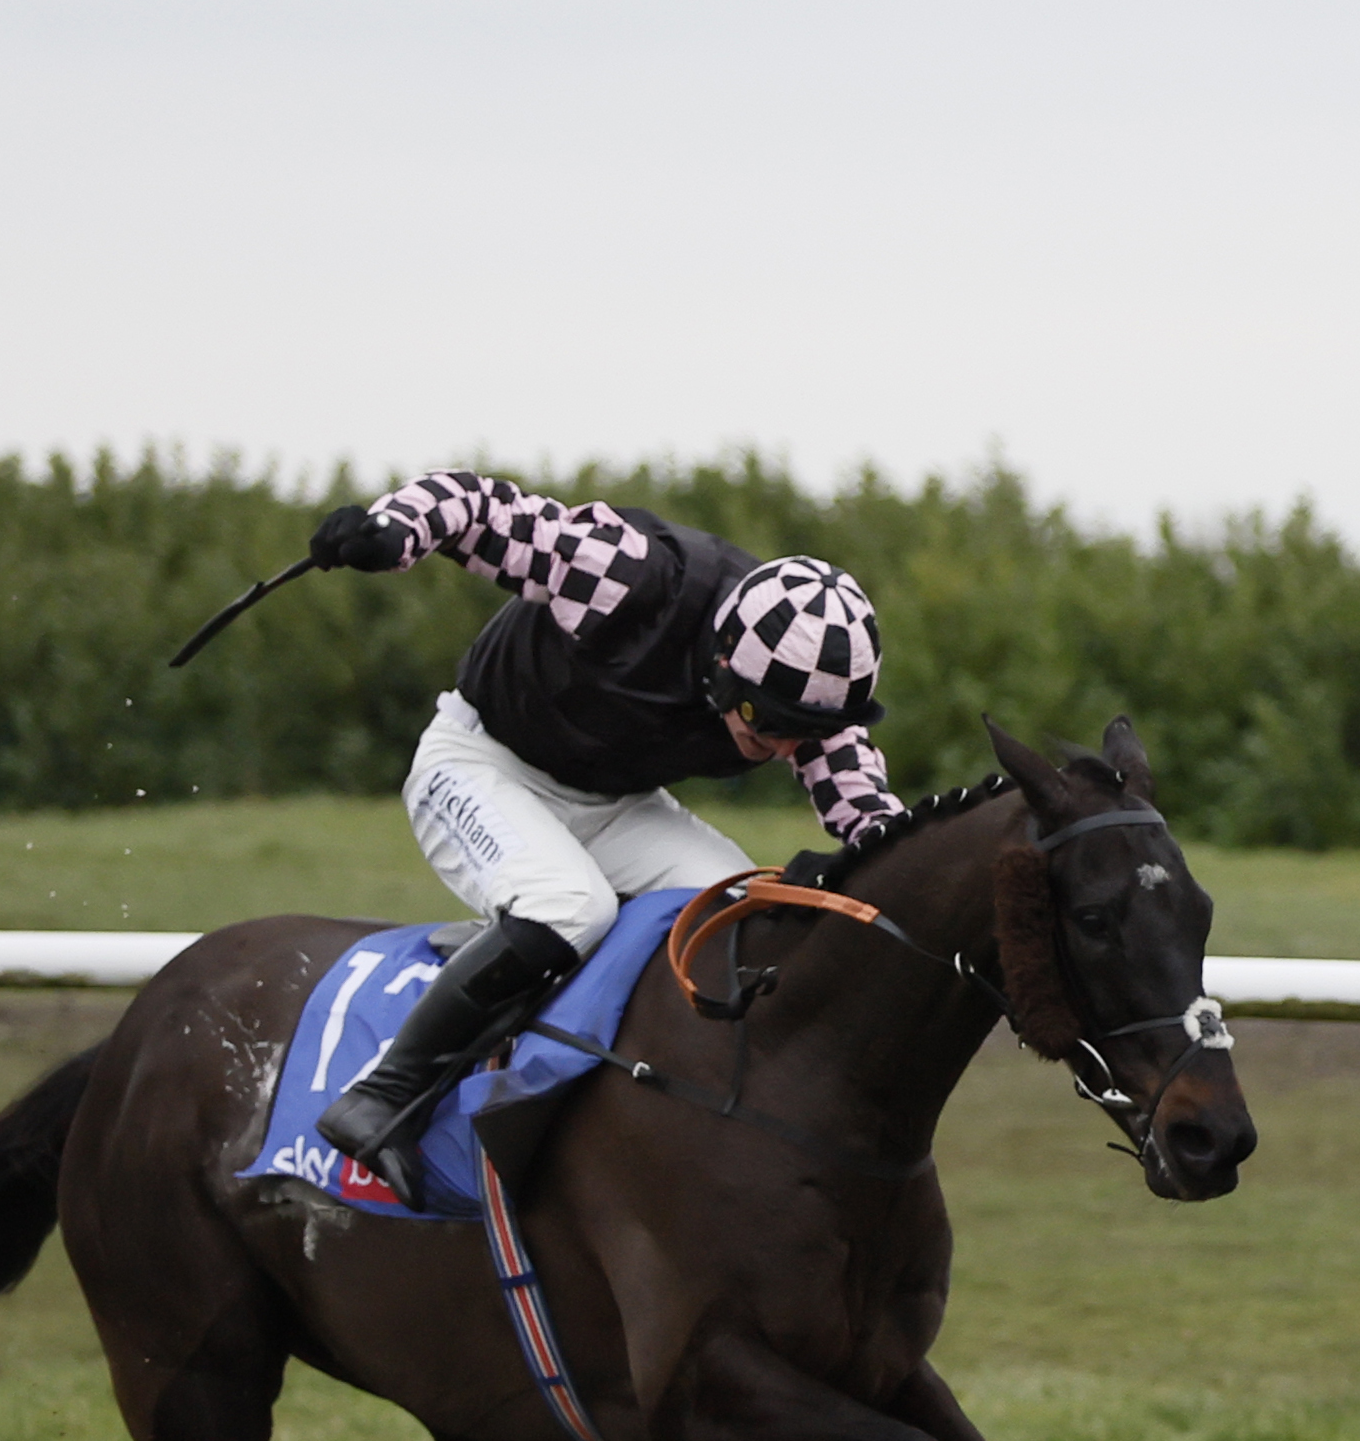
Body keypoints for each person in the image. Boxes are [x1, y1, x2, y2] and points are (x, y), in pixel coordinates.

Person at [298, 472, 910, 1199]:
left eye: (803, 735)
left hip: (614, 802)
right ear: (723, 667)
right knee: (570, 906)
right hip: (478, 760)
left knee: (744, 905)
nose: (785, 750)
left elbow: (873, 821)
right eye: (768, 725)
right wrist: (392, 530)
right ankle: (382, 1098)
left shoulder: (809, 686)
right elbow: (488, 509)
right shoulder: (630, 577)